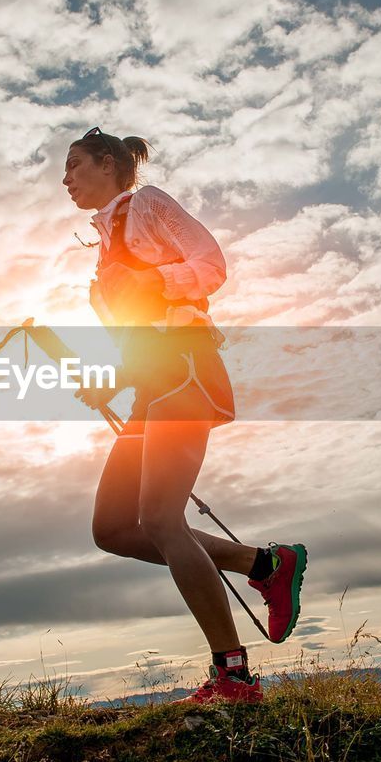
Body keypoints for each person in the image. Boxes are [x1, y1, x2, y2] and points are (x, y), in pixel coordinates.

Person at [64, 126, 308, 704]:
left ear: (107, 163)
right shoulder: (103, 247)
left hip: (185, 369)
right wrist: (112, 382)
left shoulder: (148, 205)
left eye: (75, 165)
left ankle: (234, 677)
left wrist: (151, 279)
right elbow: (138, 333)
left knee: (162, 521)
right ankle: (265, 563)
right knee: (115, 528)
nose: (66, 179)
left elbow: (210, 265)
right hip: (152, 380)